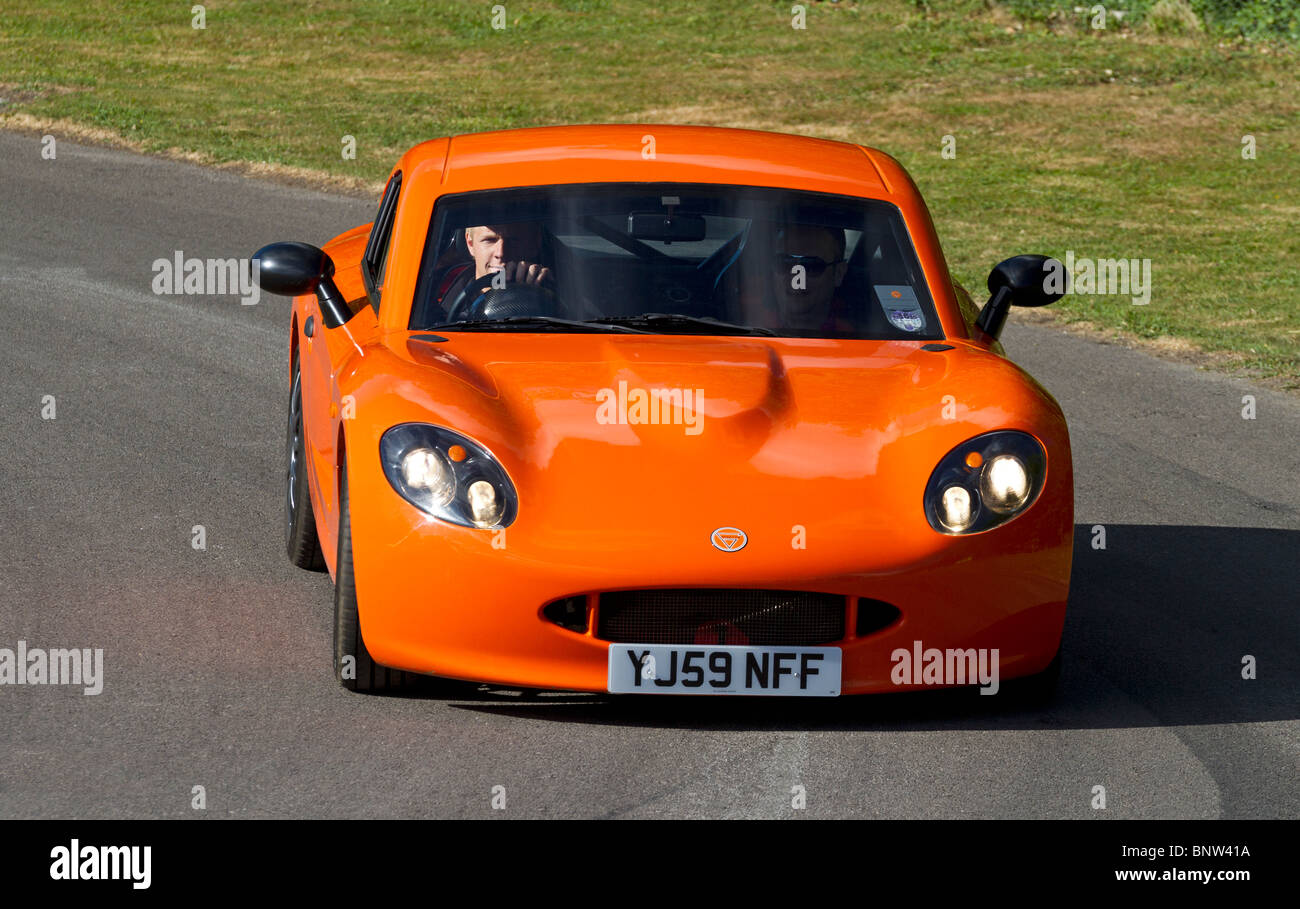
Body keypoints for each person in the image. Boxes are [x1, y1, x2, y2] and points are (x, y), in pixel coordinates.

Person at [436, 222, 552, 317]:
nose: (501, 253)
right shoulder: (437, 308)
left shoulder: (554, 296)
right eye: (489, 240)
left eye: (513, 240)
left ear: (535, 243)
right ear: (470, 244)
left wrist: (541, 294)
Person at [765, 224, 852, 333]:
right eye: (784, 263)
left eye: (811, 266)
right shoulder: (749, 328)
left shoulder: (860, 342)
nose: (796, 279)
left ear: (839, 273)